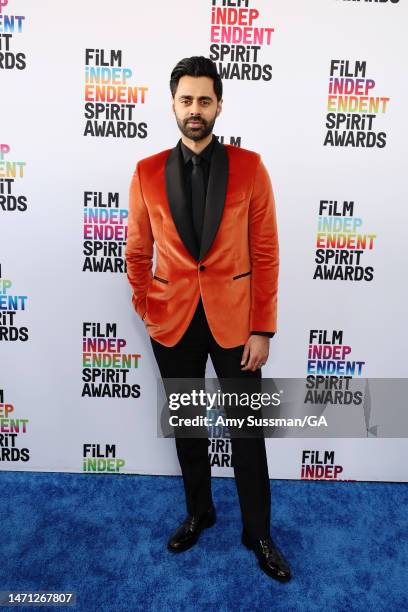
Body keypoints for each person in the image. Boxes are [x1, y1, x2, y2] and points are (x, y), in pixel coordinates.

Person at [125, 56, 291, 582]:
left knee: (247, 432)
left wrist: (262, 327)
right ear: (172, 105)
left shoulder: (251, 167)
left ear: (219, 104)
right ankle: (200, 511)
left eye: (204, 99)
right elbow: (136, 252)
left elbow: (265, 253)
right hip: (172, 324)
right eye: (185, 99)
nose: (194, 110)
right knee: (188, 429)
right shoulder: (147, 172)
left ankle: (258, 532)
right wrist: (147, 309)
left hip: (237, 325)